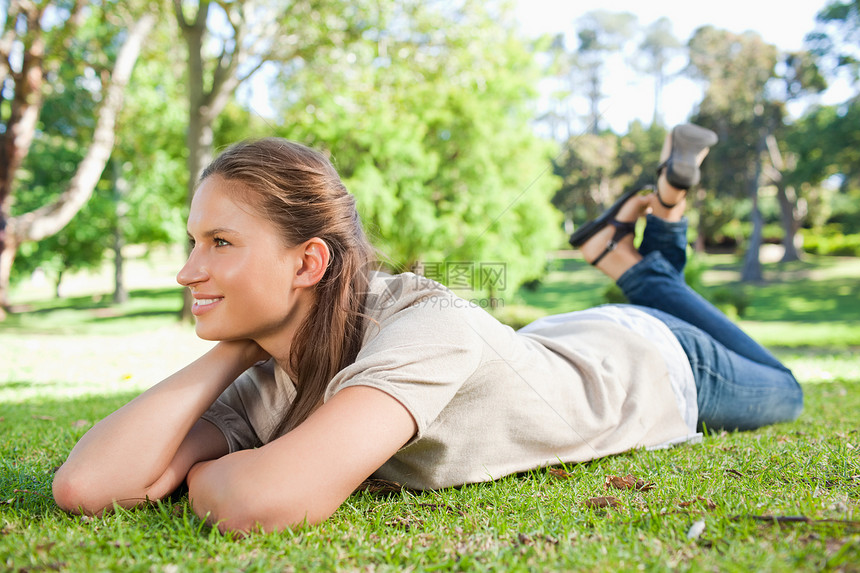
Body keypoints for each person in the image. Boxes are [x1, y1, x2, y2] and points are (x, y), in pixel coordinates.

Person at [52, 125, 803, 533]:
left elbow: (261, 500)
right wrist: (230, 353)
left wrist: (206, 475)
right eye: (193, 242)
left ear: (308, 261)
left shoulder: (424, 325)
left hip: (656, 362)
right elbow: (88, 486)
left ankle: (631, 255)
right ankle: (651, 219)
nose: (188, 271)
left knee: (790, 392)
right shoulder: (266, 373)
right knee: (669, 287)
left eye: (219, 243)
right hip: (561, 339)